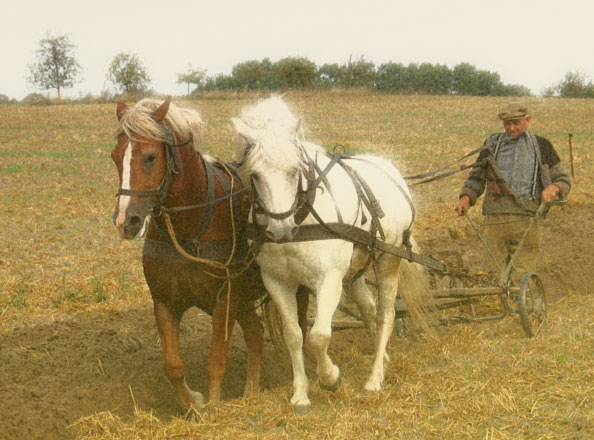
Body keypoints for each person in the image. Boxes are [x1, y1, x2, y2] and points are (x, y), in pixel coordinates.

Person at [455, 103, 571, 283]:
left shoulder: (542, 145)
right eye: (507, 123)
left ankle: (519, 304)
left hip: (527, 217)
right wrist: (466, 197)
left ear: (527, 121)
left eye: (516, 123)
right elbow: (477, 176)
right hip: (495, 217)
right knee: (491, 272)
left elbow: (563, 179)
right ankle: (496, 304)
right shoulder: (492, 144)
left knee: (522, 271)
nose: (511, 128)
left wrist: (553, 188)